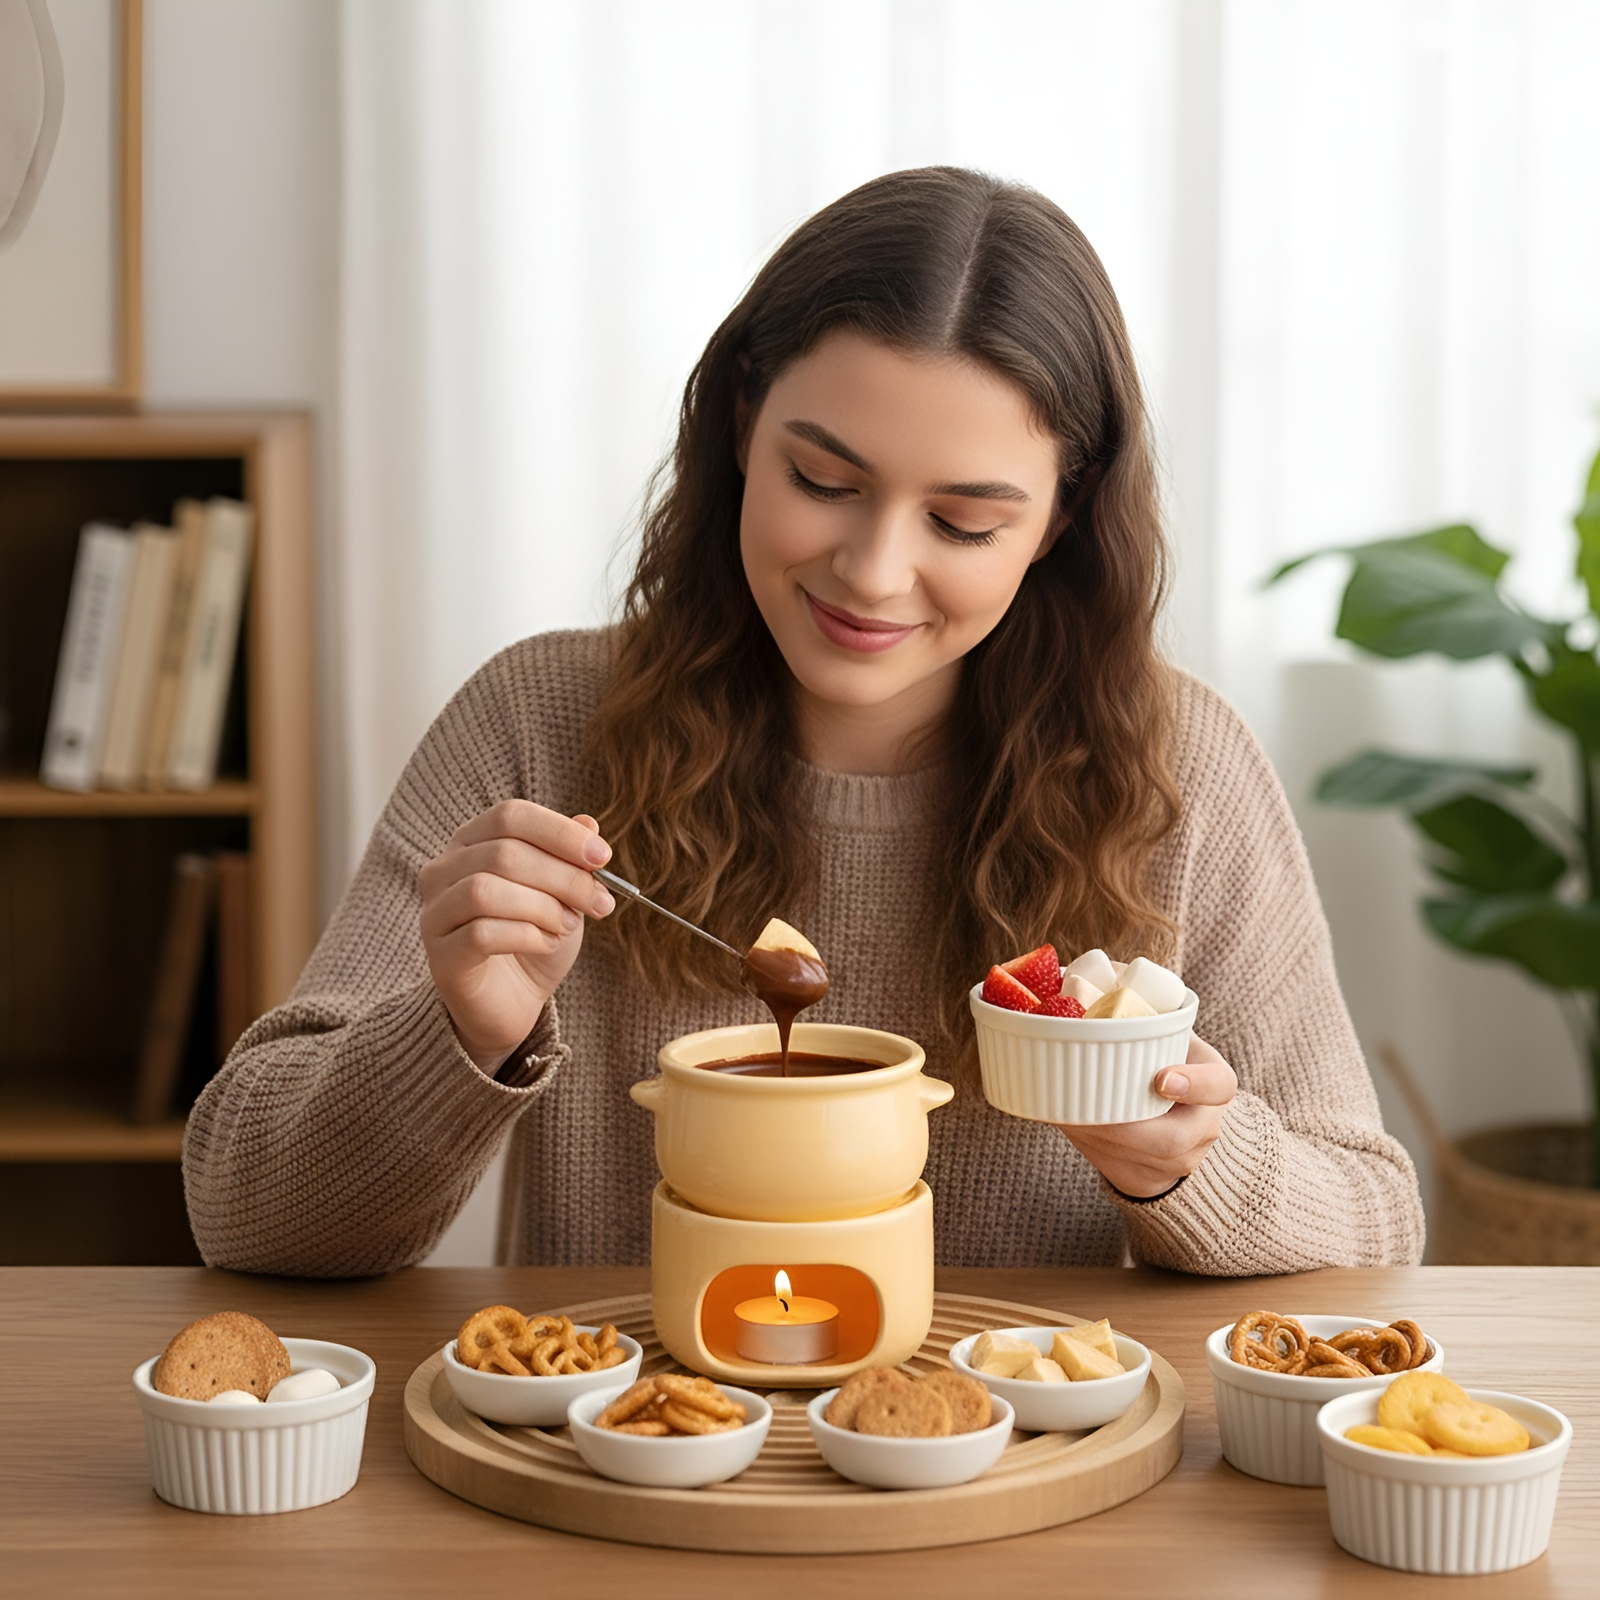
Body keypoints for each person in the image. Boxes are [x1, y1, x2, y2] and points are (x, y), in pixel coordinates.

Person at [184, 167, 1424, 1277]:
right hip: (624, 1482)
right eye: (822, 483)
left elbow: (1372, 1217)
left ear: (1059, 517)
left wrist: (1181, 1163)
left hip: (1024, 1496)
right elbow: (244, 1214)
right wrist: (456, 1032)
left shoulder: (1178, 769)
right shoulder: (540, 722)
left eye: (964, 522)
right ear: (738, 426)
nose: (874, 572)